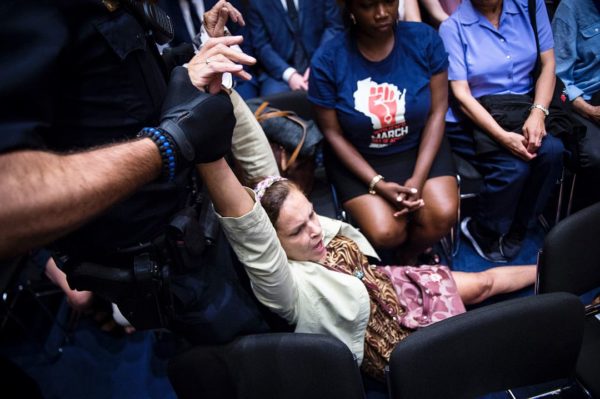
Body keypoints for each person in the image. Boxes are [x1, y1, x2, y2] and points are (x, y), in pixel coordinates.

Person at [0, 0, 277, 345]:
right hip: (156, 261)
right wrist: (165, 146)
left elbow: (111, 101)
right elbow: (8, 199)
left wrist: (189, 67)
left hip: (196, 223)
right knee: (254, 352)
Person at [197, 157, 537, 380]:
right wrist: (208, 147)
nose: (314, 230)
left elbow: (264, 168)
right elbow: (250, 230)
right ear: (274, 244)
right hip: (387, 342)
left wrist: (223, 95)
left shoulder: (312, 225)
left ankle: (548, 270)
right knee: (479, 350)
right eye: (298, 231)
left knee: (482, 284)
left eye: (312, 215)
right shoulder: (287, 286)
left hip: (390, 285)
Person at [308, 0, 458, 265]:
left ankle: (408, 257)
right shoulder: (328, 59)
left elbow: (438, 111)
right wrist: (377, 184)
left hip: (418, 146)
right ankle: (402, 253)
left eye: (388, 2)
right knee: (387, 232)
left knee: (443, 214)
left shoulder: (424, 40)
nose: (381, 13)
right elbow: (333, 134)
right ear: (350, 9)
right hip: (360, 156)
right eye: (367, 6)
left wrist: (418, 179)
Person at [439, 0, 564, 262]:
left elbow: (548, 64)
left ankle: (520, 226)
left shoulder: (530, 5)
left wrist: (538, 112)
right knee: (513, 169)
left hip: (522, 107)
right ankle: (481, 229)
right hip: (474, 114)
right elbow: (461, 95)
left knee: (552, 152)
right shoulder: (453, 27)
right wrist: (503, 137)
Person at [552, 0, 600, 210]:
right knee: (595, 156)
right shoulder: (571, 8)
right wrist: (590, 111)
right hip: (581, 98)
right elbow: (558, 77)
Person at [246, 0, 344, 96]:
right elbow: (261, 45)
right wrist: (290, 75)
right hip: (278, 72)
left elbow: (334, 27)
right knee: (272, 106)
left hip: (322, 61)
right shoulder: (257, 2)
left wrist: (317, 64)